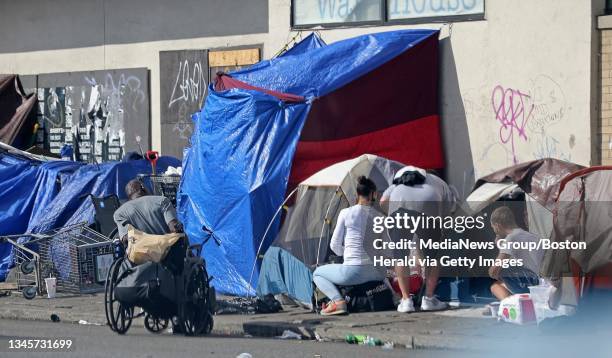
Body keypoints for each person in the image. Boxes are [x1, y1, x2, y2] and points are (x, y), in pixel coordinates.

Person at [380, 166, 456, 313]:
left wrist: (391, 211)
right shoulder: (439, 182)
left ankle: (406, 301)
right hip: (429, 207)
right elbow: (448, 209)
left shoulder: (398, 182)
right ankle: (428, 299)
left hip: (399, 211)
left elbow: (383, 201)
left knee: (400, 255)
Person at [312, 176, 386, 316]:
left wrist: (345, 253)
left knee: (317, 273)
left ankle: (338, 301)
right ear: (373, 194)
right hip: (377, 272)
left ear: (357, 194)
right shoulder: (381, 217)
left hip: (354, 271)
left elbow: (334, 245)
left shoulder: (346, 213)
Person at [488, 206, 542, 300]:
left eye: (493, 228)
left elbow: (493, 271)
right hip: (541, 282)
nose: (494, 231)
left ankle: (514, 307)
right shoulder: (531, 236)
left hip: (530, 283)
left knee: (495, 286)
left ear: (498, 225)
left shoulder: (511, 238)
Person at [113, 179, 183, 244]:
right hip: (168, 251)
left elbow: (125, 239)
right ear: (143, 187)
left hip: (140, 255)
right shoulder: (162, 200)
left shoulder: (119, 213)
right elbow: (174, 228)